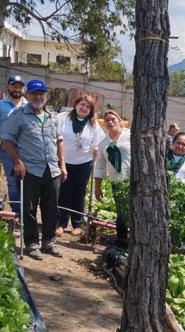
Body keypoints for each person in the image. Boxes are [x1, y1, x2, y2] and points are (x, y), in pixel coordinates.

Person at [1, 79, 67, 260]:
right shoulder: (18, 115)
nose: (38, 97)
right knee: (29, 209)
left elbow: (59, 141)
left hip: (52, 169)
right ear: (27, 95)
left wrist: (62, 165)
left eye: (41, 93)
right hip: (30, 170)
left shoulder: (53, 116)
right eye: (34, 94)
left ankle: (49, 242)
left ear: (45, 95)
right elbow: (7, 140)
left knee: (51, 208)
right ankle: (31, 244)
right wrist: (17, 162)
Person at [56, 95, 104, 236]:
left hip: (84, 163)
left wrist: (96, 148)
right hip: (64, 162)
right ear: (76, 104)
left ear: (91, 110)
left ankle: (77, 224)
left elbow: (99, 141)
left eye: (88, 107)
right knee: (63, 192)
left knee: (79, 193)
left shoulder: (93, 124)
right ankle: (61, 224)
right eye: (82, 105)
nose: (84, 108)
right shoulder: (63, 118)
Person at [0, 74, 27, 213]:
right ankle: (17, 212)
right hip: (7, 149)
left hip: (26, 149)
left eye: (20, 86)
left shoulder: (28, 105)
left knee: (27, 181)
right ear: (8, 87)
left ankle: (26, 212)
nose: (17, 89)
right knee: (12, 181)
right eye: (14, 85)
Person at [95, 109, 131, 245]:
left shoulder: (130, 136)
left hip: (134, 180)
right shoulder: (104, 143)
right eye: (107, 120)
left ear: (119, 121)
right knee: (121, 212)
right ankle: (122, 240)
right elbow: (100, 166)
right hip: (117, 182)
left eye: (113, 119)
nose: (110, 122)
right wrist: (97, 188)